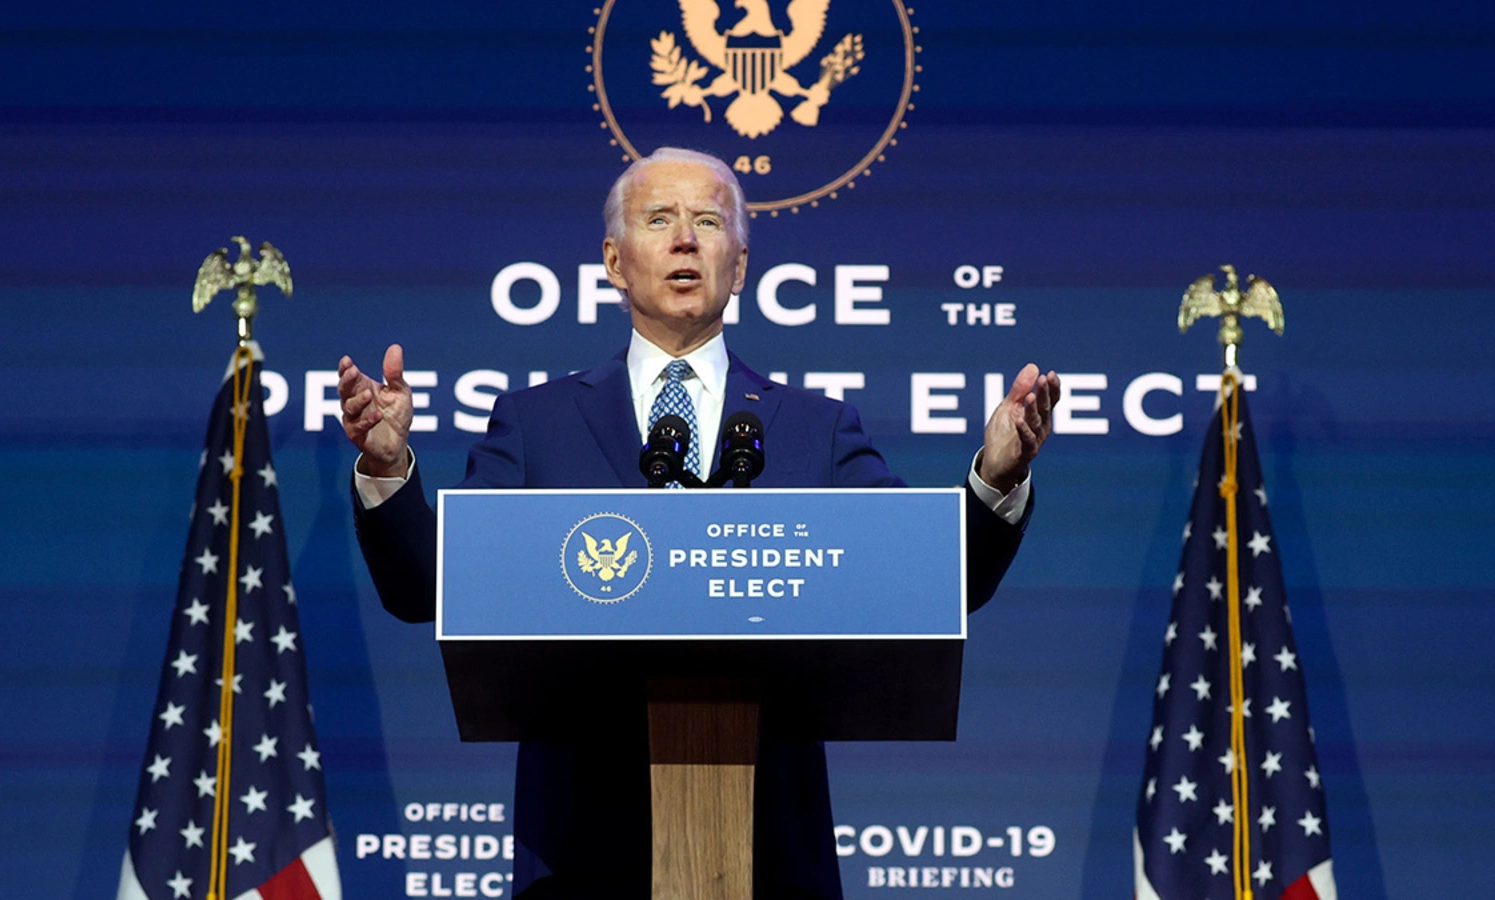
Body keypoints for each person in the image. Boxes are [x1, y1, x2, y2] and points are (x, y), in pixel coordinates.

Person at [337, 147, 1060, 899]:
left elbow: (926, 577)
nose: (685, 239)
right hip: (580, 855)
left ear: (739, 265)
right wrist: (389, 467)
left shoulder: (815, 428)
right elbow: (429, 589)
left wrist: (996, 475)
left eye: (707, 221)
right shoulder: (536, 423)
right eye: (660, 220)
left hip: (771, 854)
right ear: (615, 262)